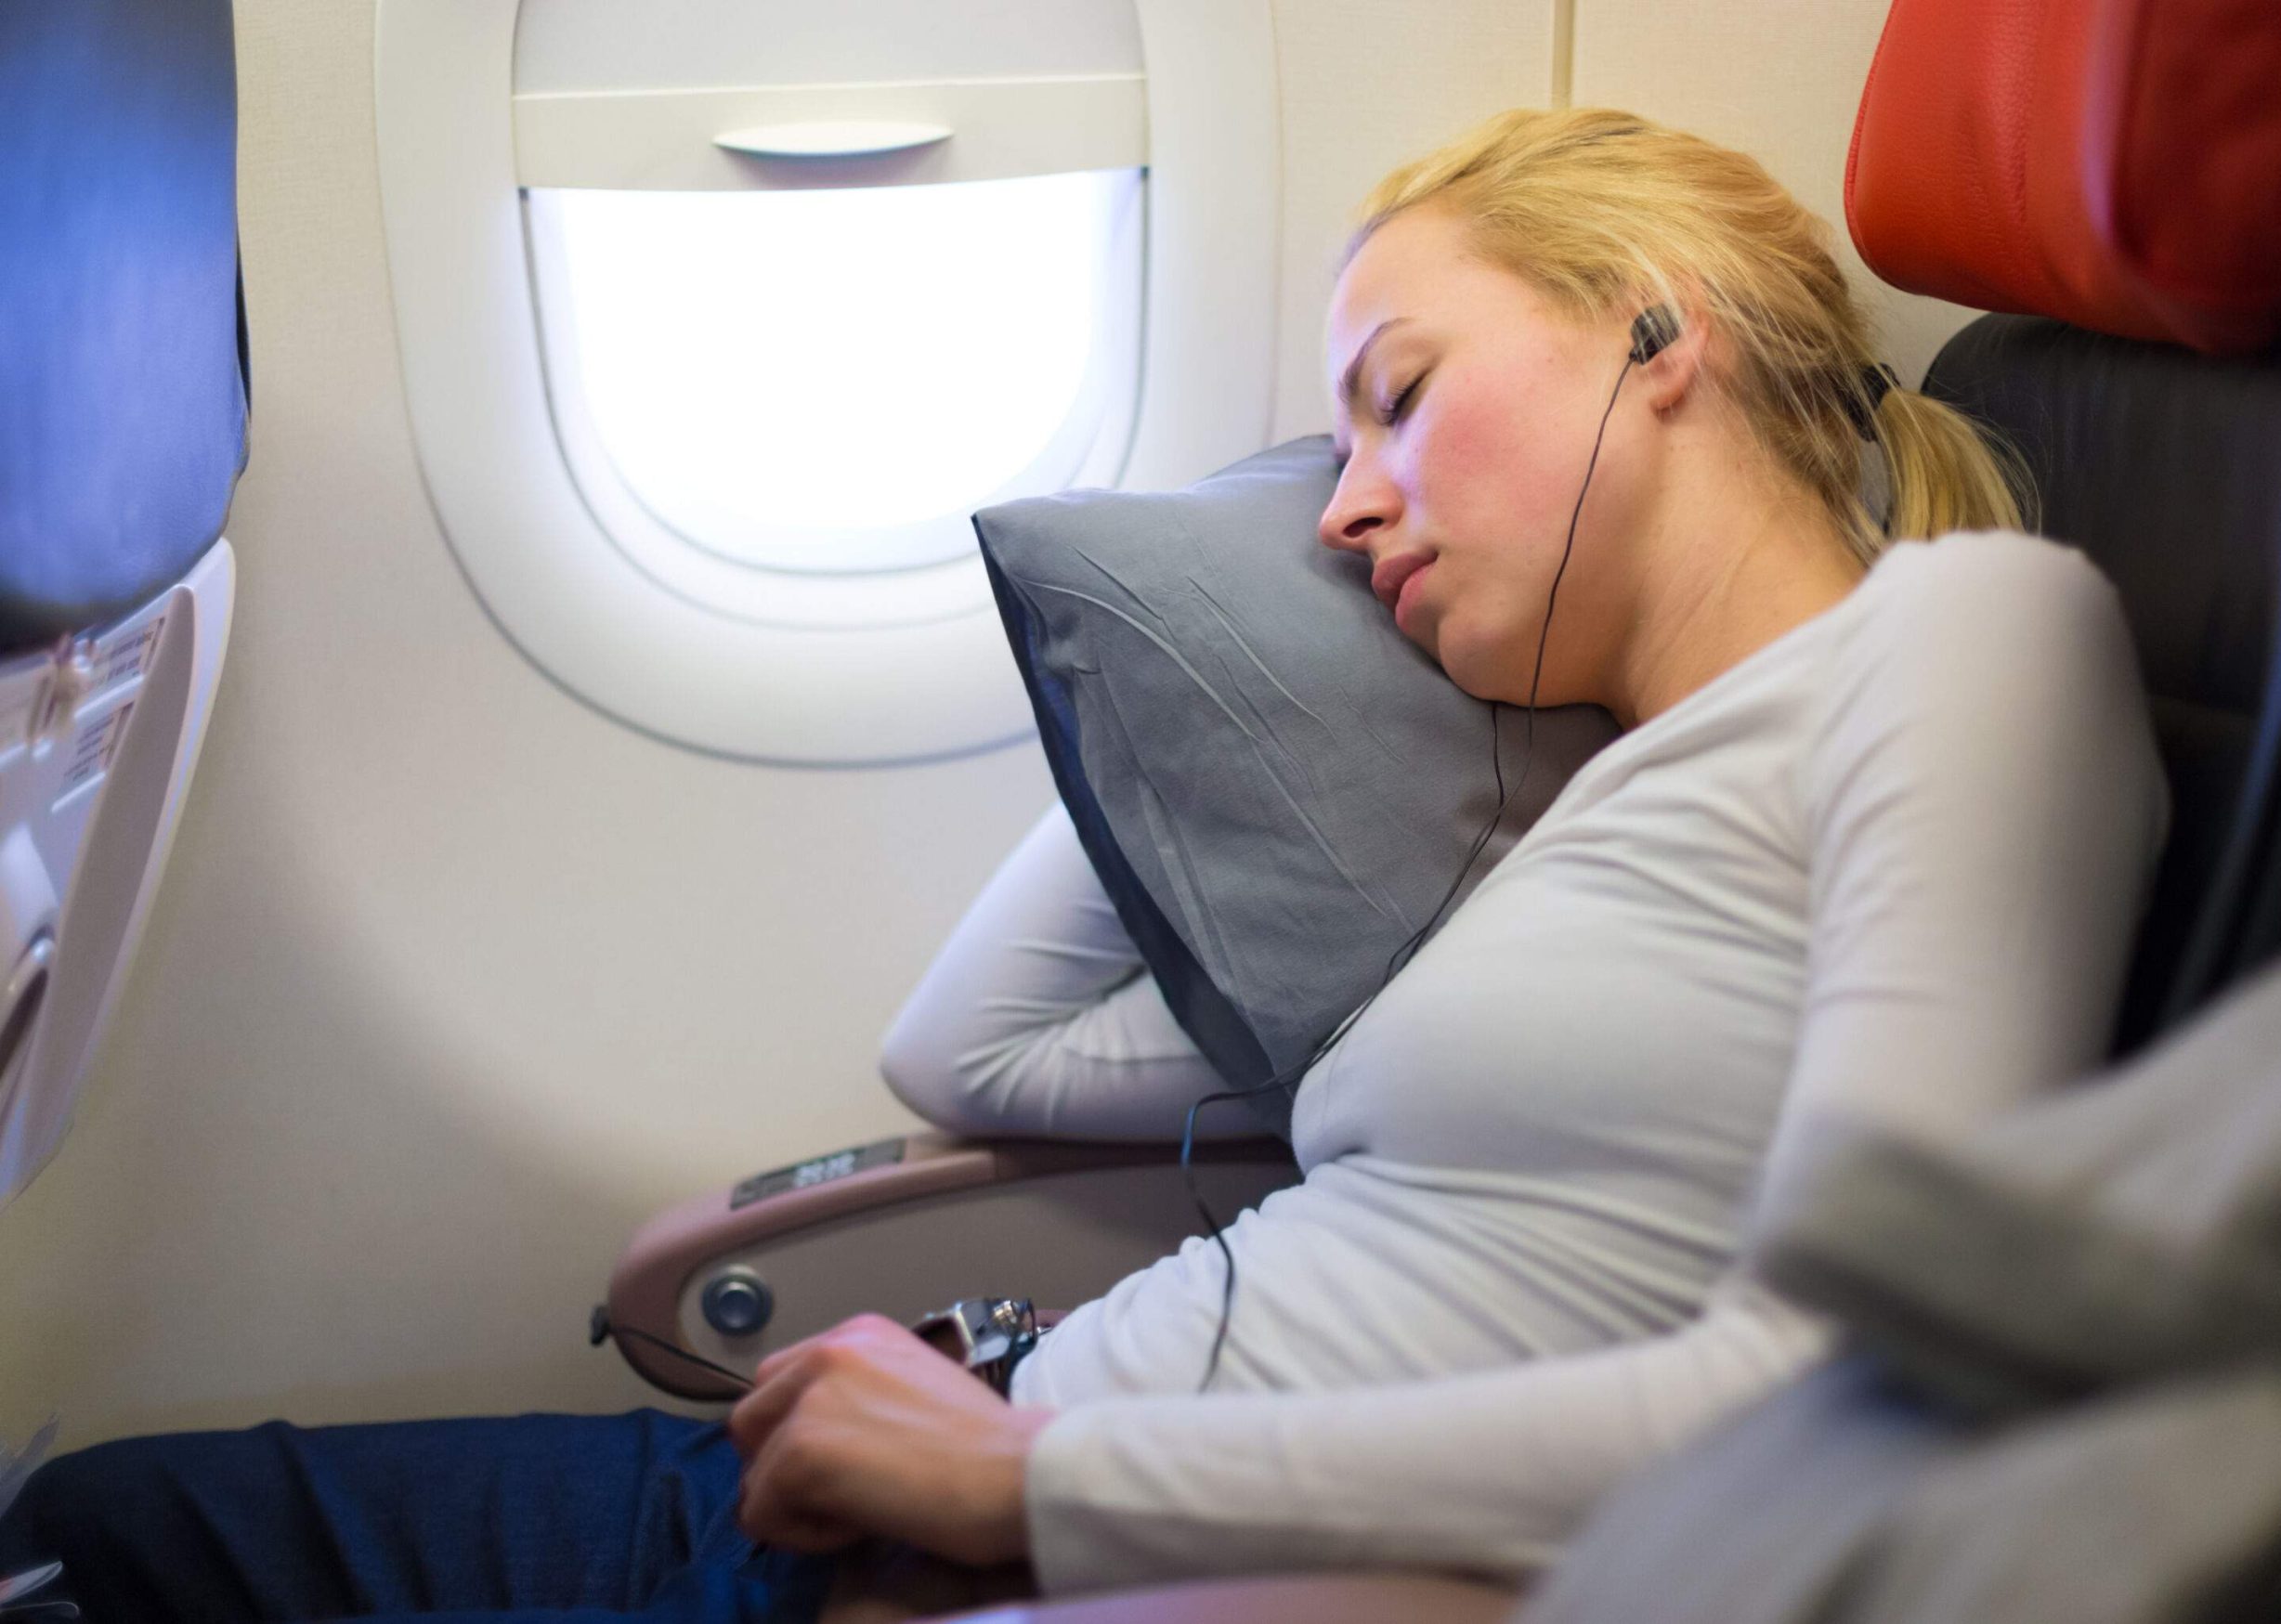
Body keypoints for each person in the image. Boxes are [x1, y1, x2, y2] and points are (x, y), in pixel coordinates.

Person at [0, 108, 2166, 1620]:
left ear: (1653, 330)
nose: (1346, 504)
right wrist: (1214, 629)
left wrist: (1029, 1481)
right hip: (944, 1469)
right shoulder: (1569, 797)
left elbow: (1853, 1387)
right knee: (84, 1531)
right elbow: (976, 1050)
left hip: (1058, 1545)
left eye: (1395, 396)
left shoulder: (1968, 642)